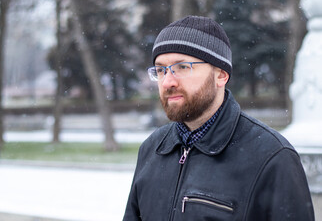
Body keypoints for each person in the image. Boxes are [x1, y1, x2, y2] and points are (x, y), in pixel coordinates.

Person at [123, 16, 314, 220]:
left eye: (182, 67)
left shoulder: (272, 157)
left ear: (221, 75)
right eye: (161, 70)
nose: (168, 81)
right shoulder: (152, 149)